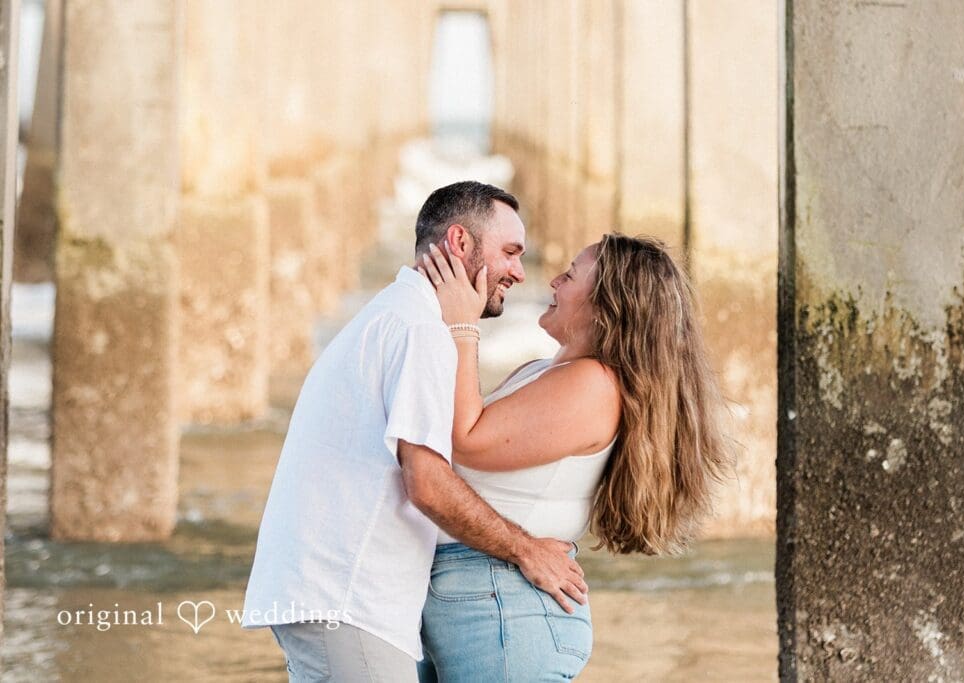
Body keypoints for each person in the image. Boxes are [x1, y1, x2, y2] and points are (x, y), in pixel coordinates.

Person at [241, 181, 588, 682]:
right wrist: (527, 549)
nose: (518, 270)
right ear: (460, 244)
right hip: (349, 599)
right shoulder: (420, 329)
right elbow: (426, 481)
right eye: (510, 252)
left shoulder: (395, 313)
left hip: (331, 595)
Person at [416, 233, 734, 681]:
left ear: (608, 305)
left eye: (570, 275)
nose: (553, 281)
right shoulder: (548, 371)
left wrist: (461, 324)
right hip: (483, 598)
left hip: (503, 605)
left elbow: (467, 439)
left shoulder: (592, 383)